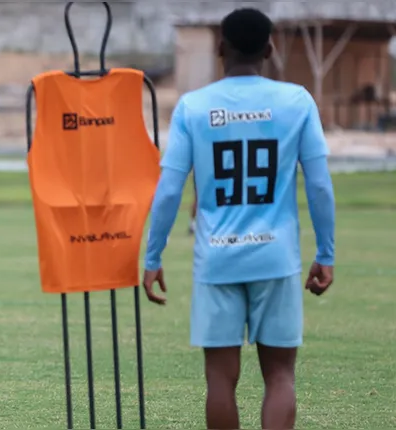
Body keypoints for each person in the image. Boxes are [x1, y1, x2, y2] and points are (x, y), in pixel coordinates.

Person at [141, 8, 335, 430]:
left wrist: (153, 256)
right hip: (276, 258)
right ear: (270, 48)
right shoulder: (297, 101)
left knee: (220, 380)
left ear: (220, 49)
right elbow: (319, 184)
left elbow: (170, 190)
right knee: (280, 375)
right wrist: (326, 251)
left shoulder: (194, 106)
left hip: (217, 259)